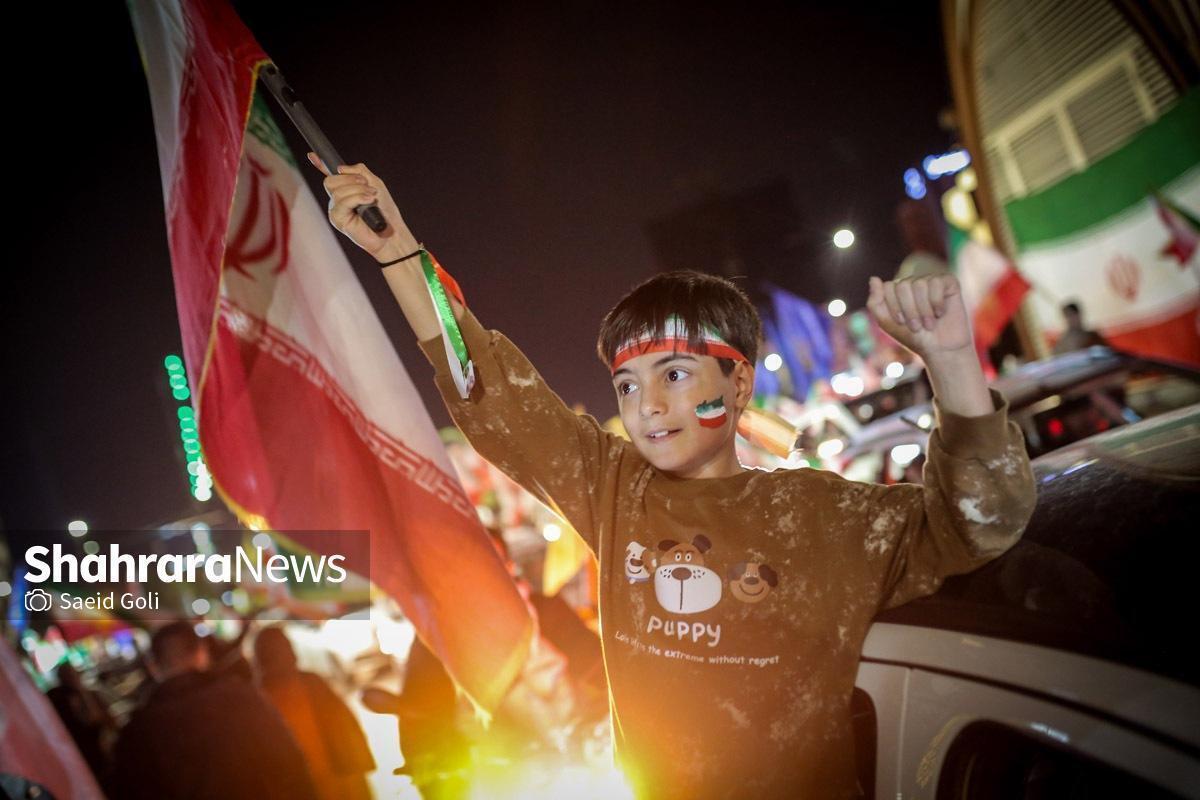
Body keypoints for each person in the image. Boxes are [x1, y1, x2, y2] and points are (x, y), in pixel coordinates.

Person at [313, 157, 1037, 799]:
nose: (647, 405)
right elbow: (492, 391)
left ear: (739, 383)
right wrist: (398, 252)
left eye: (676, 374)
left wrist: (951, 361)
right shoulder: (614, 491)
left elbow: (979, 523)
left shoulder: (825, 515)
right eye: (627, 385)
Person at [108, 621, 319, 800]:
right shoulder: (240, 699)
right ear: (202, 653)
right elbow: (289, 762)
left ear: (153, 666)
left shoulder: (138, 733)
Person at [254, 627, 375, 800]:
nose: (290, 653)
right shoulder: (261, 699)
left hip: (334, 782)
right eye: (283, 648)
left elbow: (344, 731)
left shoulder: (310, 684)